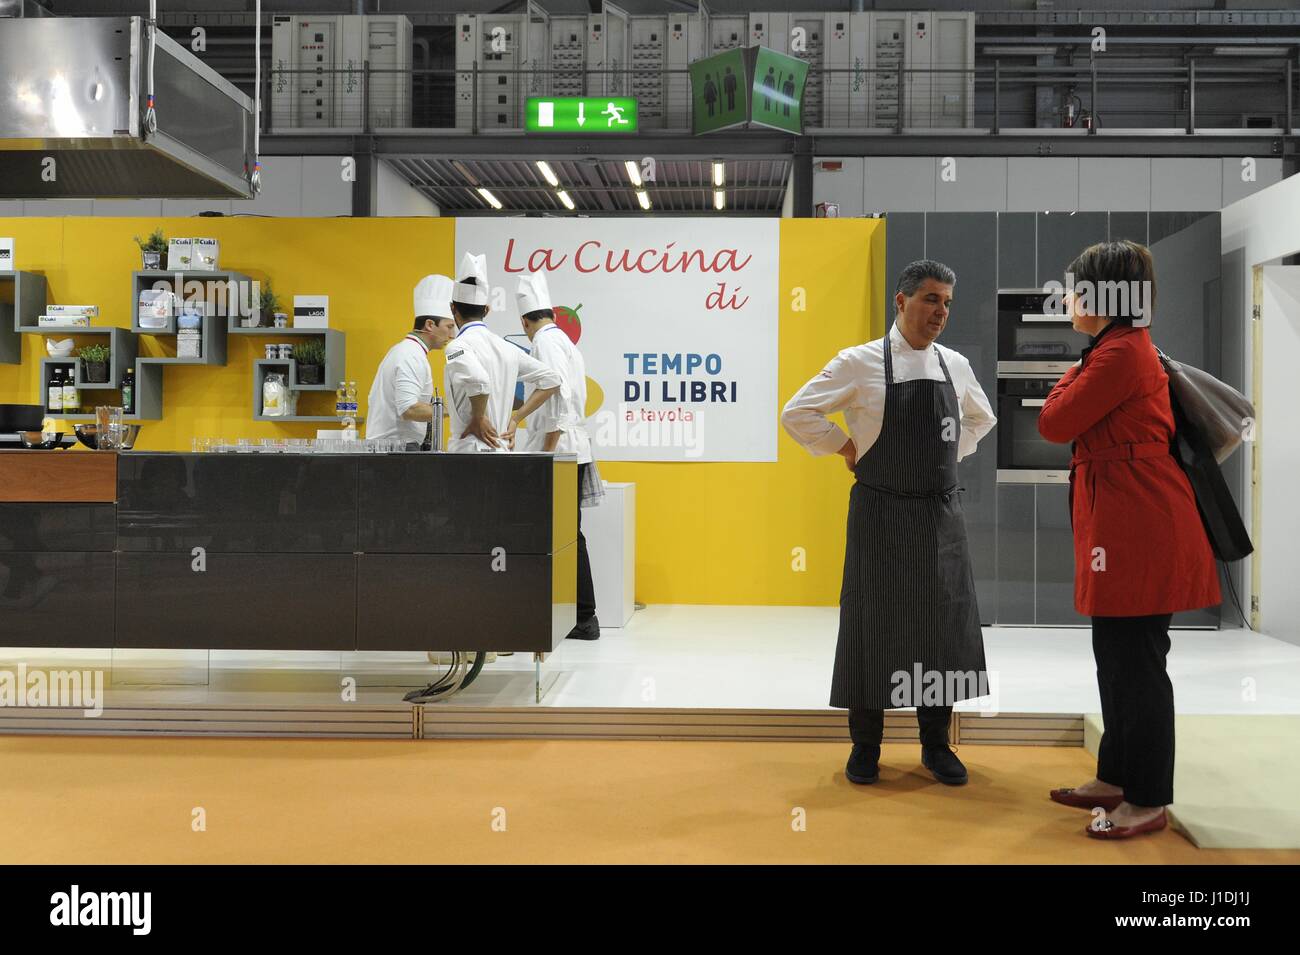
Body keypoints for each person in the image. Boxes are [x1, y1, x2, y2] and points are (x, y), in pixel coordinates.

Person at [782, 259, 996, 787]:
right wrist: (845, 446)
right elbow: (797, 412)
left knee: (942, 628)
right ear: (900, 303)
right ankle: (865, 748)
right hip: (879, 512)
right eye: (929, 299)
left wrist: (952, 454)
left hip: (939, 515)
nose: (939, 312)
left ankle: (935, 745)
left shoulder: (956, 365)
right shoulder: (858, 363)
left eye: (946, 301)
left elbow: (980, 419)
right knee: (870, 625)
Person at [1038, 240, 1220, 840]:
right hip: (1126, 520)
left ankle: (1146, 799)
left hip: (1140, 526)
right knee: (1117, 659)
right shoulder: (1114, 349)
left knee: (1137, 667)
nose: (1068, 298)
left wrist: (1072, 378)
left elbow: (1053, 421)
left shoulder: (1118, 355)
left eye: (1078, 288)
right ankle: (1116, 777)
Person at [517, 271, 602, 641]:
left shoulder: (544, 345)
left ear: (525, 321)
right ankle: (581, 615)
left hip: (558, 449)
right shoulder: (564, 341)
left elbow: (557, 396)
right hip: (571, 447)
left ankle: (583, 617)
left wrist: (545, 455)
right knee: (570, 535)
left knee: (562, 536)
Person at [444, 252, 562, 453]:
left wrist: (478, 418)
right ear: (487, 310)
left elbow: (479, 381)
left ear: (452, 308)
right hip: (501, 450)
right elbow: (552, 379)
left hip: (469, 453)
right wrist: (515, 418)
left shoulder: (456, 347)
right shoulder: (507, 348)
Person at [366, 274, 457, 448]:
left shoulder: (404, 350)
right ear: (430, 325)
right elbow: (409, 410)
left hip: (392, 448)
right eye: (449, 326)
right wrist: (454, 410)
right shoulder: (412, 356)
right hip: (397, 450)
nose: (452, 335)